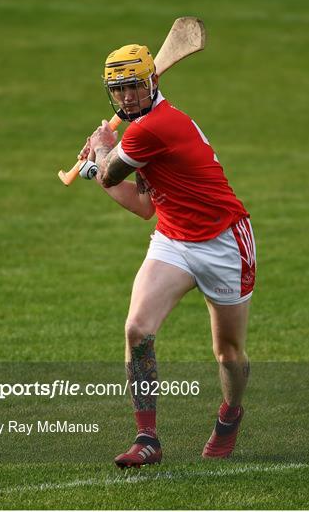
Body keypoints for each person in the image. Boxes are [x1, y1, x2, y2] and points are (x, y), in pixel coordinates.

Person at [78, 44, 256, 469]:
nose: (125, 99)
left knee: (228, 352)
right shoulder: (142, 129)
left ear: (153, 83)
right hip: (173, 238)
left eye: (133, 88)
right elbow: (144, 206)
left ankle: (230, 414)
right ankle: (147, 439)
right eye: (117, 90)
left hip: (224, 242)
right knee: (137, 329)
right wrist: (98, 166)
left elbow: (111, 170)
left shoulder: (153, 127)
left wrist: (102, 149)